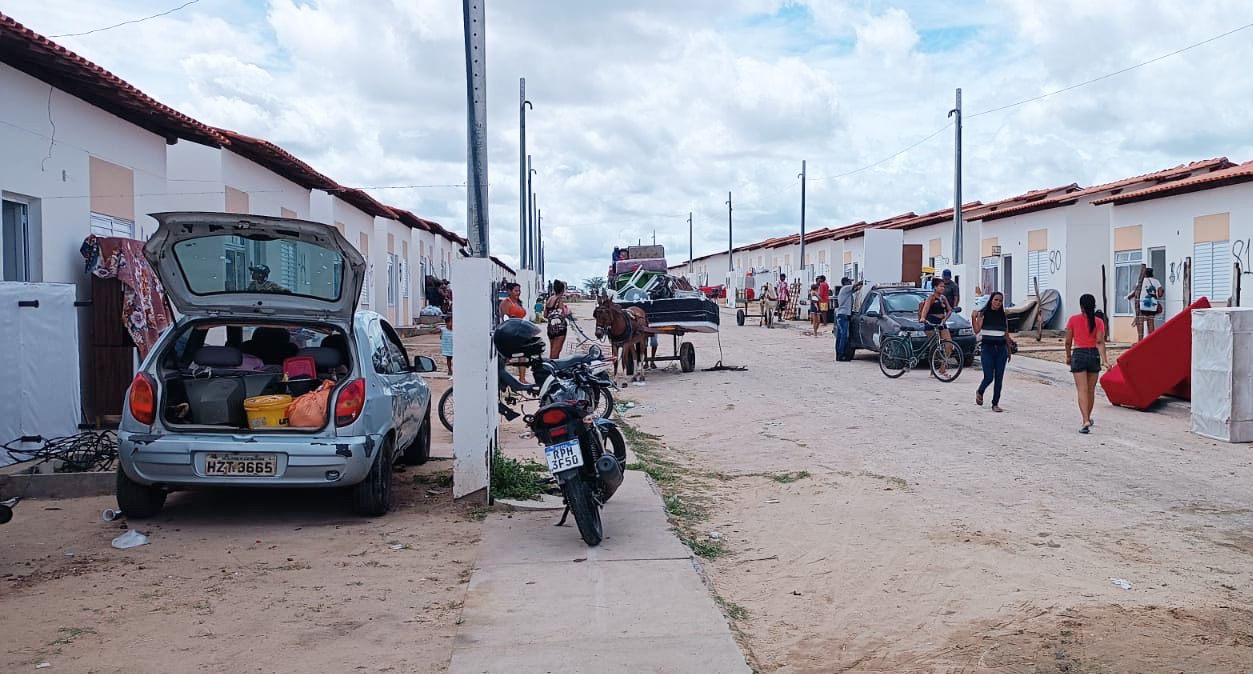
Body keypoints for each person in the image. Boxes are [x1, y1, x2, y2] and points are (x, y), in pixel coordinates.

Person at [1065, 293, 1108, 434]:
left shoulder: (1073, 320)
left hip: (1079, 354)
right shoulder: (1099, 322)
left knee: (1082, 390)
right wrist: (1105, 360)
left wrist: (1068, 356)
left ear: (1081, 306)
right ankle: (1088, 417)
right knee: (1090, 390)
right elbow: (1100, 342)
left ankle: (1085, 420)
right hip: (1093, 355)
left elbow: (1068, 341)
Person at [973, 291, 1015, 412]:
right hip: (987, 349)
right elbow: (976, 330)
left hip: (1001, 350)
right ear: (991, 300)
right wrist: (973, 317)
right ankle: (980, 391)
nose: (998, 302)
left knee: (999, 378)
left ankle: (995, 403)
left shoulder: (1003, 316)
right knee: (989, 376)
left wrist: (1009, 350)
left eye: (1000, 301)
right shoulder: (984, 314)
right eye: (996, 300)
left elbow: (1006, 334)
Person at [919, 280, 954, 373]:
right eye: (940, 286)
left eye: (943, 286)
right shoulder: (931, 297)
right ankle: (932, 369)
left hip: (941, 322)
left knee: (949, 344)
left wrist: (945, 319)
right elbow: (926, 308)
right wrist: (923, 317)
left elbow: (949, 310)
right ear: (935, 287)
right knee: (934, 346)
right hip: (931, 321)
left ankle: (943, 367)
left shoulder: (943, 298)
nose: (942, 288)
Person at [498, 282, 530, 382]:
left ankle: (522, 377)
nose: (518, 292)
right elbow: (504, 319)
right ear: (509, 291)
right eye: (516, 290)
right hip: (510, 333)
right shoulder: (506, 303)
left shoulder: (518, 302)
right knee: (508, 358)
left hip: (518, 333)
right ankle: (505, 380)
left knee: (523, 355)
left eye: (519, 290)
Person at [1129, 267, 1164, 341]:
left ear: (1144, 273)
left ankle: (1140, 341)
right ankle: (1151, 341)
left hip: (1142, 305)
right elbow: (1160, 294)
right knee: (1151, 324)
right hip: (1152, 305)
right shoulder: (1156, 281)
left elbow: (1136, 292)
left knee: (1140, 323)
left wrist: (1129, 297)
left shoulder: (1141, 281)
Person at [835, 277, 863, 361]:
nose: (850, 283)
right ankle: (842, 354)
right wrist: (864, 280)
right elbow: (856, 285)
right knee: (844, 335)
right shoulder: (845, 288)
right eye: (849, 282)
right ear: (846, 282)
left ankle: (839, 354)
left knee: (840, 336)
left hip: (842, 315)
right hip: (843, 315)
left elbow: (856, 289)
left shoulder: (847, 291)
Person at [545, 280, 571, 358]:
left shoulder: (549, 299)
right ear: (562, 290)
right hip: (559, 328)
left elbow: (545, 315)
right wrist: (567, 311)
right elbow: (563, 313)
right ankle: (553, 368)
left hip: (550, 328)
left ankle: (551, 367)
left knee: (552, 351)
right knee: (556, 353)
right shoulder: (559, 299)